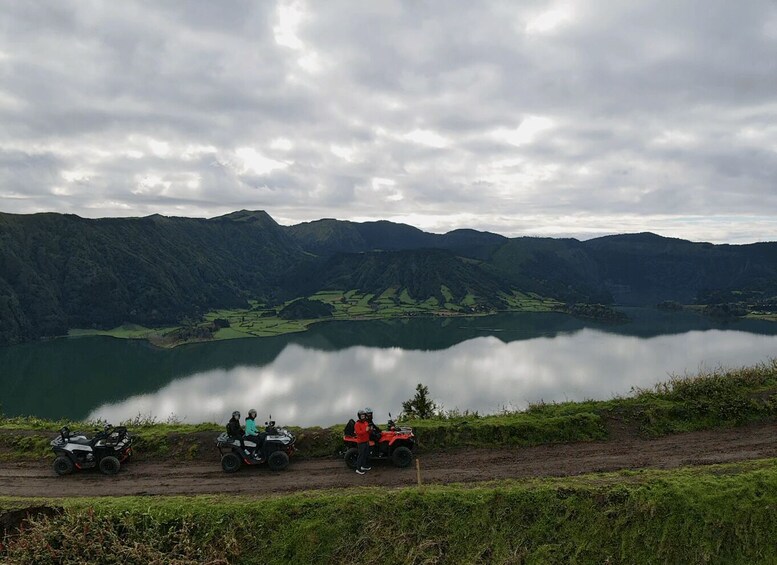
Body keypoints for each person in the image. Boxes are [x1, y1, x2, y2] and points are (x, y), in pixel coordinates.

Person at [354, 408, 372, 475]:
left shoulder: (366, 422)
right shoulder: (357, 424)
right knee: (361, 455)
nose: (363, 417)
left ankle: (363, 466)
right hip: (361, 442)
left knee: (365, 454)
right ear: (359, 416)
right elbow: (358, 433)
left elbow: (368, 432)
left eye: (364, 416)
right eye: (362, 416)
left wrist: (370, 430)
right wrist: (366, 430)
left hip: (366, 441)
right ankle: (358, 469)